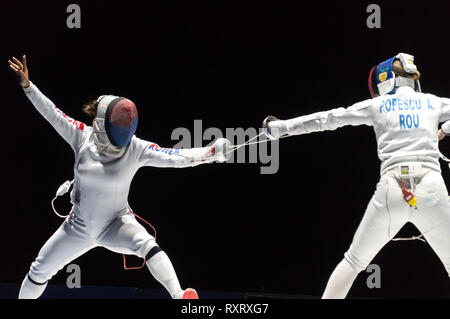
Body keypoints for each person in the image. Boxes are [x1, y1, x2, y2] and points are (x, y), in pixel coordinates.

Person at [9, 55, 231, 299]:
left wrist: (210, 153)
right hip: (77, 226)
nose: (125, 131)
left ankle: (179, 296)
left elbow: (176, 157)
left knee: (147, 245)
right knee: (38, 270)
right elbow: (52, 113)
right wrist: (28, 87)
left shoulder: (136, 148)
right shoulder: (82, 136)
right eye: (119, 124)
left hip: (116, 222)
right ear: (102, 124)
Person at [263, 53, 450, 298]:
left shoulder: (378, 105)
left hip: (392, 191)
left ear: (385, 80)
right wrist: (444, 130)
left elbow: (328, 119)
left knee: (353, 263)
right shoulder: (433, 102)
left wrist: (281, 128)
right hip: (430, 191)